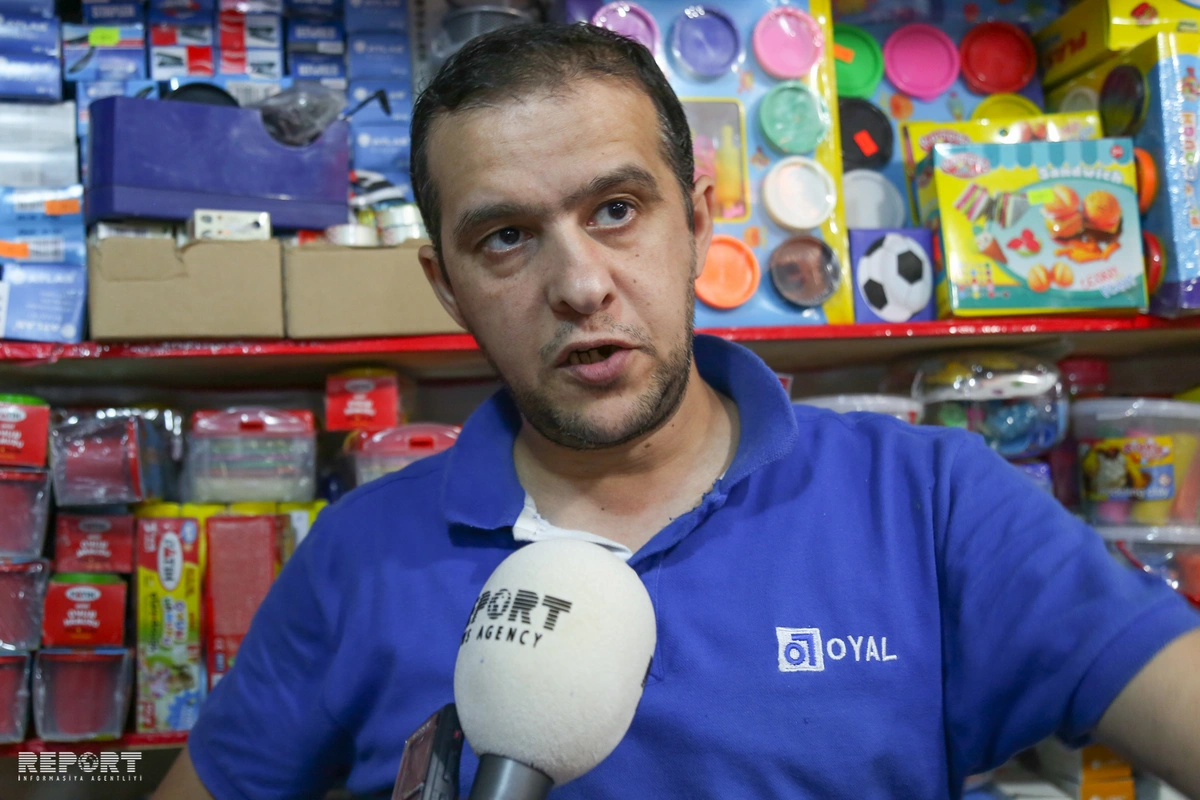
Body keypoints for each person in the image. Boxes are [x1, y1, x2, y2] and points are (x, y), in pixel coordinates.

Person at [157, 23, 1200, 800]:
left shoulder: (931, 500)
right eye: (506, 238)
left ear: (697, 221)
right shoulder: (356, 556)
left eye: (617, 210)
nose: (581, 285)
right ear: (448, 286)